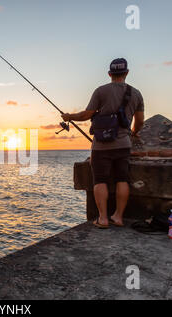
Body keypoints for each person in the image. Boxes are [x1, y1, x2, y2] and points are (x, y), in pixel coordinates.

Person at [61, 58, 144, 228]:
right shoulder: (136, 94)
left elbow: (86, 115)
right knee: (122, 179)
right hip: (124, 144)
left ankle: (103, 218)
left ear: (109, 74)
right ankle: (119, 217)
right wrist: (133, 133)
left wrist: (69, 116)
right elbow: (140, 121)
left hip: (101, 146)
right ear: (126, 73)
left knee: (99, 180)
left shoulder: (101, 91)